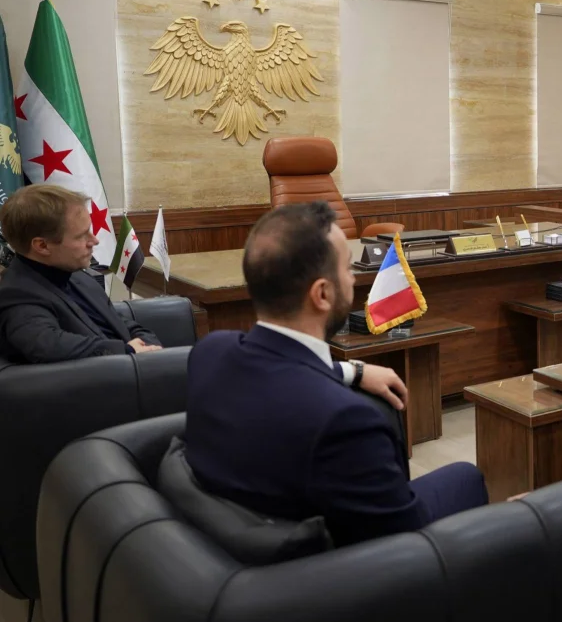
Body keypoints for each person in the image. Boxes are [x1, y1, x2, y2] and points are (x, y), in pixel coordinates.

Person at [184, 202, 487, 546]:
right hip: (355, 569)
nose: (354, 278)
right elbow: (405, 541)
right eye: (347, 268)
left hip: (244, 544)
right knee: (466, 477)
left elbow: (282, 366)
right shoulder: (345, 421)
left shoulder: (208, 353)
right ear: (323, 294)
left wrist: (353, 370)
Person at [0, 184, 164, 362]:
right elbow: (48, 346)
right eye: (81, 236)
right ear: (42, 246)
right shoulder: (17, 295)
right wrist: (127, 351)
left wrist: (149, 346)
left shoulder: (77, 275)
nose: (94, 240)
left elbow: (121, 323)